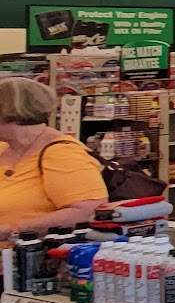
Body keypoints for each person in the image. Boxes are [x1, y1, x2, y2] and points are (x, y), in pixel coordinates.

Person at [0, 79, 108, 240]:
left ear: (9, 114)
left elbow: (87, 211)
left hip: (35, 252)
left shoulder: (62, 153)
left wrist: (13, 230)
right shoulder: (5, 148)